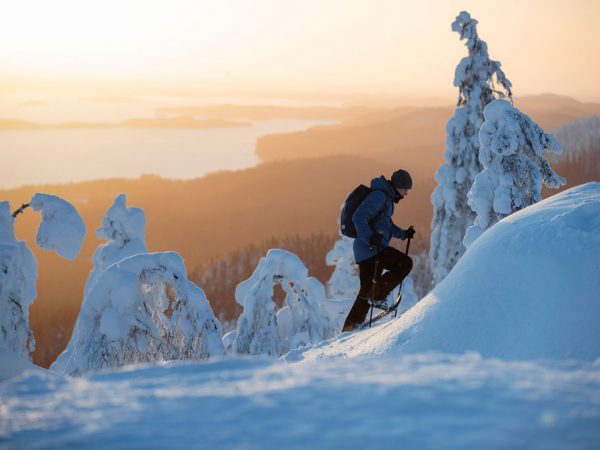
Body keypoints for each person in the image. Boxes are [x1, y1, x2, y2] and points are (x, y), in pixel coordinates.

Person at [342, 169, 415, 332]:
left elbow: (386, 225)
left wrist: (403, 234)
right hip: (371, 248)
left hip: (366, 250)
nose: (406, 193)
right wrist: (369, 238)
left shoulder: (386, 198)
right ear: (398, 186)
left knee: (366, 289)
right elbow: (358, 217)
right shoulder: (380, 196)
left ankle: (350, 326)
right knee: (404, 263)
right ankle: (378, 296)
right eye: (405, 189)